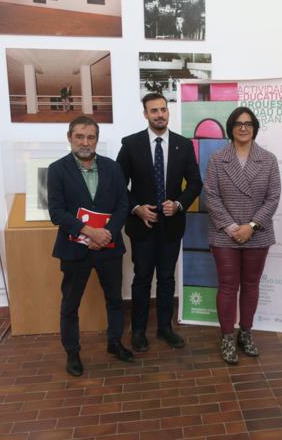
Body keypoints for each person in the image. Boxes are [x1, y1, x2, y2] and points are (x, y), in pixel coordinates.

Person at [116, 92, 202, 352]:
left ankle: (165, 328)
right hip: (142, 225)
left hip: (171, 225)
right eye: (154, 110)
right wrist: (136, 208)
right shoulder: (131, 144)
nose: (160, 114)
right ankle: (139, 331)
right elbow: (118, 185)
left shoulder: (183, 145)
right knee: (142, 278)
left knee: (166, 278)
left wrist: (177, 204)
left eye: (163, 109)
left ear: (168, 112)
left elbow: (195, 183)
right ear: (145, 114)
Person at [47, 115, 132, 377]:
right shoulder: (57, 169)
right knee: (70, 304)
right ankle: (72, 352)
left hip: (109, 246)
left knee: (115, 300)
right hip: (75, 249)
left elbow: (123, 205)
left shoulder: (112, 167)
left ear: (96, 139)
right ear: (70, 137)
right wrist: (90, 232)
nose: (85, 142)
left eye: (91, 137)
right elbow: (57, 212)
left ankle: (114, 342)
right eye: (80, 136)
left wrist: (106, 233)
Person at [204, 107, 281, 364]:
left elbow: (273, 197)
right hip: (225, 234)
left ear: (255, 127)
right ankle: (227, 336)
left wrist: (251, 225)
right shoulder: (217, 159)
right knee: (227, 287)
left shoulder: (268, 159)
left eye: (248, 123)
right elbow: (211, 196)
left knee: (251, 285)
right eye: (238, 123)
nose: (243, 127)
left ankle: (245, 333)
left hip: (257, 233)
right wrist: (231, 227)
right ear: (231, 128)